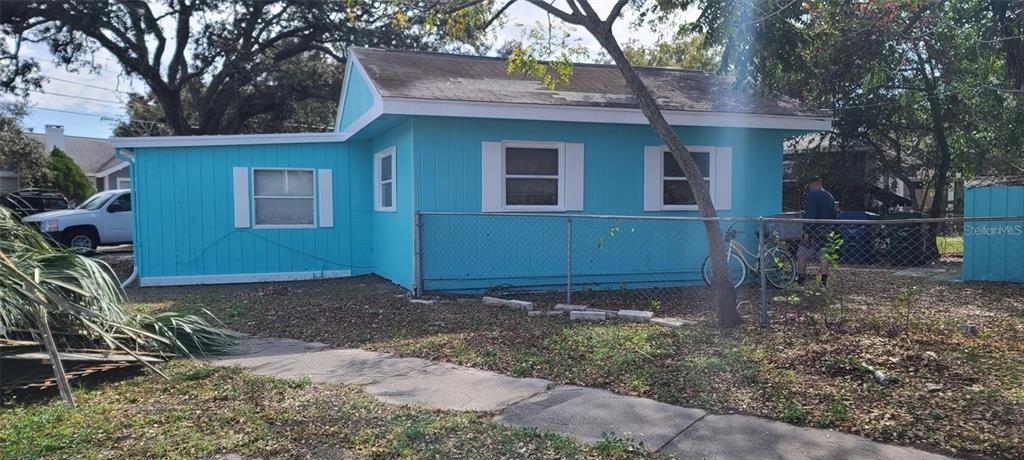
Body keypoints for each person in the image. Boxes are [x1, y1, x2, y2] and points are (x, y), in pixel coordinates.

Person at [797, 176, 836, 287]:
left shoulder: (812, 195)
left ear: (813, 184)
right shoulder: (829, 196)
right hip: (827, 230)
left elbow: (810, 214)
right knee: (824, 256)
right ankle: (823, 284)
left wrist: (807, 231)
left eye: (809, 185)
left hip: (814, 230)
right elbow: (834, 214)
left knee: (802, 254)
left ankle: (800, 283)